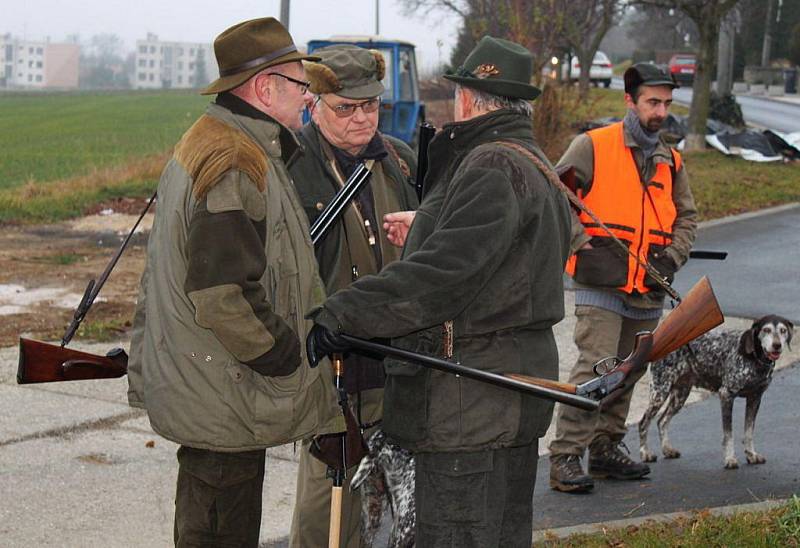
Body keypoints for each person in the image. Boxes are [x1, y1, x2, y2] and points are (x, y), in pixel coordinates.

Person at [306, 36, 573, 547]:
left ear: (468, 99)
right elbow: (501, 261)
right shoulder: (529, 160)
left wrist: (340, 315)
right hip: (503, 396)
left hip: (468, 411)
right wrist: (429, 222)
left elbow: (441, 279)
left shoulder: (491, 166)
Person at [126, 17, 340, 547]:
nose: (308, 97)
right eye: (300, 84)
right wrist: (288, 355)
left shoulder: (230, 142)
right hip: (225, 395)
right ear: (266, 88)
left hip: (219, 392)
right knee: (221, 530)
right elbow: (222, 296)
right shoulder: (233, 160)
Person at [287, 44, 418, 548]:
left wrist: (422, 228)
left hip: (396, 354)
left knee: (395, 495)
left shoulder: (401, 162)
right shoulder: (291, 165)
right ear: (313, 104)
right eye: (346, 107)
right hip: (329, 360)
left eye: (372, 105)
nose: (362, 118)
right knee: (328, 499)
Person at [548, 62, 698, 493]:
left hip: (650, 285)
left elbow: (687, 217)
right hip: (602, 281)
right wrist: (581, 246)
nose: (661, 112)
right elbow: (557, 198)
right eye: (653, 102)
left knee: (631, 370)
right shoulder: (593, 146)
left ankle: (607, 447)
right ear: (629, 101)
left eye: (667, 103)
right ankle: (565, 456)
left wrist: (672, 258)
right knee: (597, 369)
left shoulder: (672, 160)